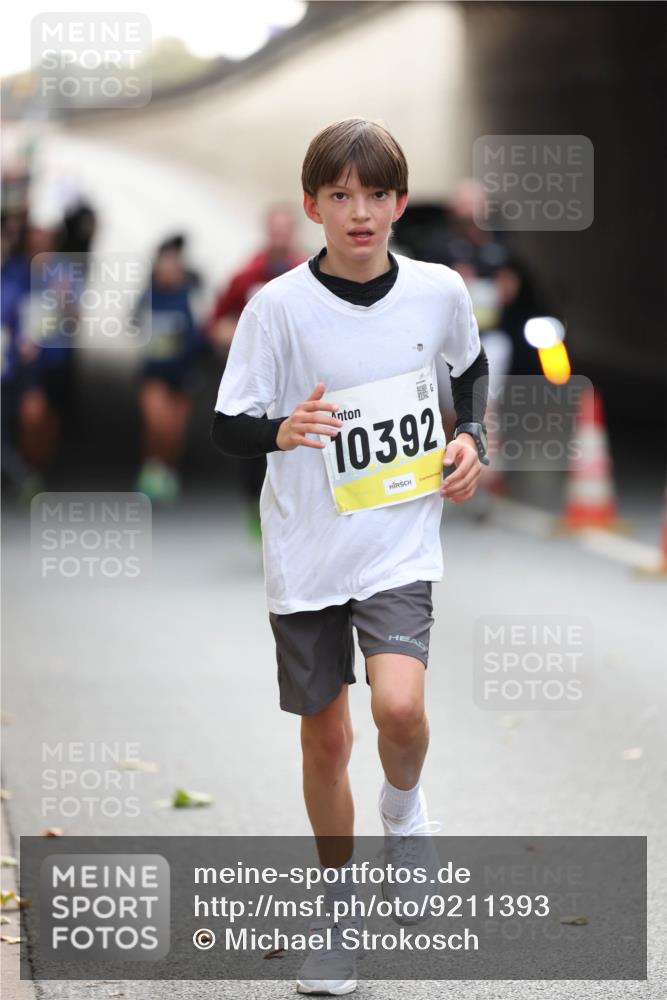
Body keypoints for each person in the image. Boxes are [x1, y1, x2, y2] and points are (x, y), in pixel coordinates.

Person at [210, 119, 489, 996]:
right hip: (305, 551)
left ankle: (403, 810)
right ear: (311, 206)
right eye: (339, 195)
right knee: (325, 739)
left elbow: (470, 370)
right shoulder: (278, 307)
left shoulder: (439, 290)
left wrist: (471, 437)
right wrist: (280, 428)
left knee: (398, 711)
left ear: (399, 203)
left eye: (375, 195)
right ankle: (335, 917)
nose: (358, 212)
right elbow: (227, 423)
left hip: (398, 541)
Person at [208, 204, 305, 537]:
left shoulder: (307, 270)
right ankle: (255, 504)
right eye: (274, 228)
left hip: (297, 377)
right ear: (267, 232)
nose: (280, 235)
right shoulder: (247, 275)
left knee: (298, 443)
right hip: (260, 377)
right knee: (256, 444)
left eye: (285, 228)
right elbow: (215, 322)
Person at [134, 236, 203, 502]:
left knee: (175, 430)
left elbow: (201, 330)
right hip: (155, 372)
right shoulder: (148, 296)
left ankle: (168, 470)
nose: (169, 272)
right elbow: (134, 323)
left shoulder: (191, 295)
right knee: (156, 422)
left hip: (183, 374)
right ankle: (151, 467)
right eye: (164, 266)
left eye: (174, 267)